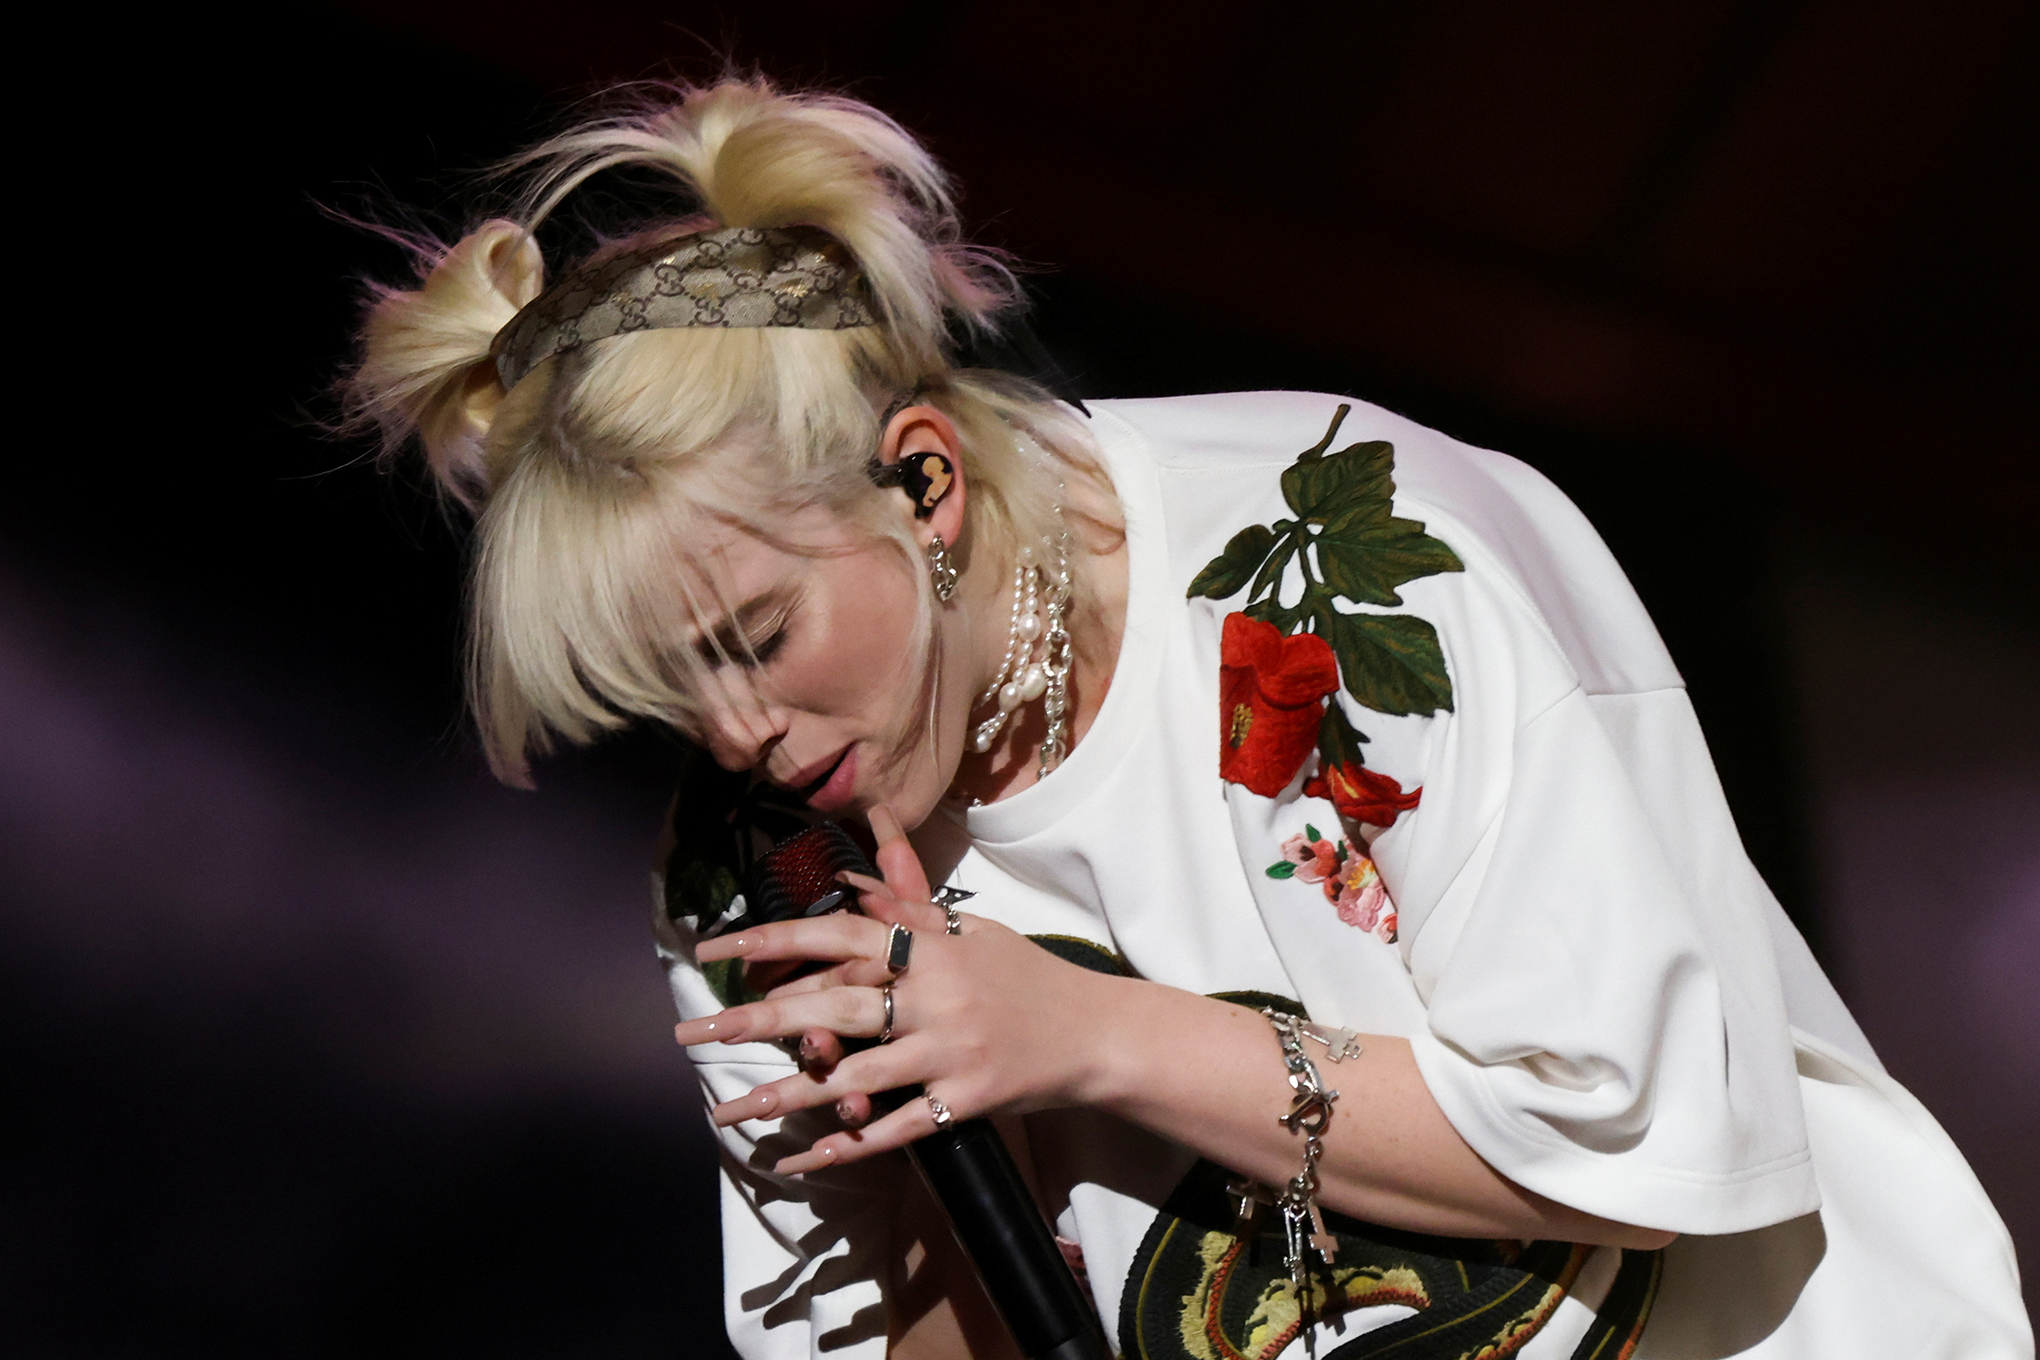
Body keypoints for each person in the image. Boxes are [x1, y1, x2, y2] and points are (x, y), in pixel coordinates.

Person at [345, 78, 2030, 1360]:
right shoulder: (757, 873)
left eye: (759, 637)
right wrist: (906, 1178)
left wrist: (1085, 1036)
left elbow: (1651, 1148)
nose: (738, 737)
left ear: (922, 481)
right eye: (668, 690)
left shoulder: (1342, 558)